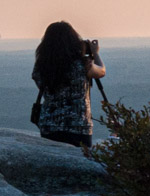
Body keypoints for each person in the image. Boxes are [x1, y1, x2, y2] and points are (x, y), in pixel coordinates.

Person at [32, 21, 104, 151]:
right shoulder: (82, 65)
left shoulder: (41, 67)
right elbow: (101, 71)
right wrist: (95, 53)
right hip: (78, 126)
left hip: (49, 125)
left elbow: (44, 88)